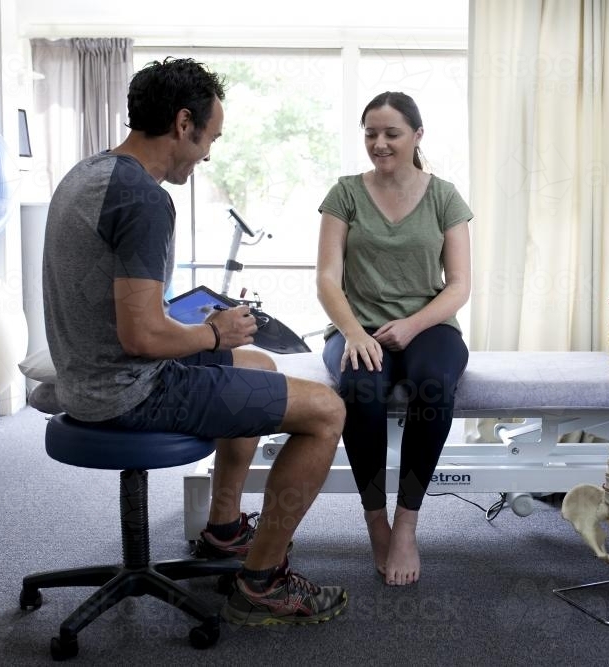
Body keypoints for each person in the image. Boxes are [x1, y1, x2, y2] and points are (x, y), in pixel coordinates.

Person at [42, 57, 347, 625]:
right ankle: (262, 583)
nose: (209, 153)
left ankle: (225, 528)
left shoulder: (89, 172)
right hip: (127, 390)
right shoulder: (145, 199)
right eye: (211, 138)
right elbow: (141, 336)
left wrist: (211, 336)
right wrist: (212, 330)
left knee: (256, 363)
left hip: (85, 376)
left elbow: (124, 308)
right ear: (185, 124)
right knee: (327, 411)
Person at [315, 91, 472, 586]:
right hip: (358, 326)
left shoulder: (445, 196)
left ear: (417, 136)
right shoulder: (345, 192)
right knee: (361, 387)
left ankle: (407, 520)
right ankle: (375, 519)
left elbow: (461, 285)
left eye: (391, 133)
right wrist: (354, 332)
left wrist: (413, 325)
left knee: (432, 383)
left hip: (429, 326)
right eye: (370, 134)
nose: (379, 144)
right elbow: (326, 277)